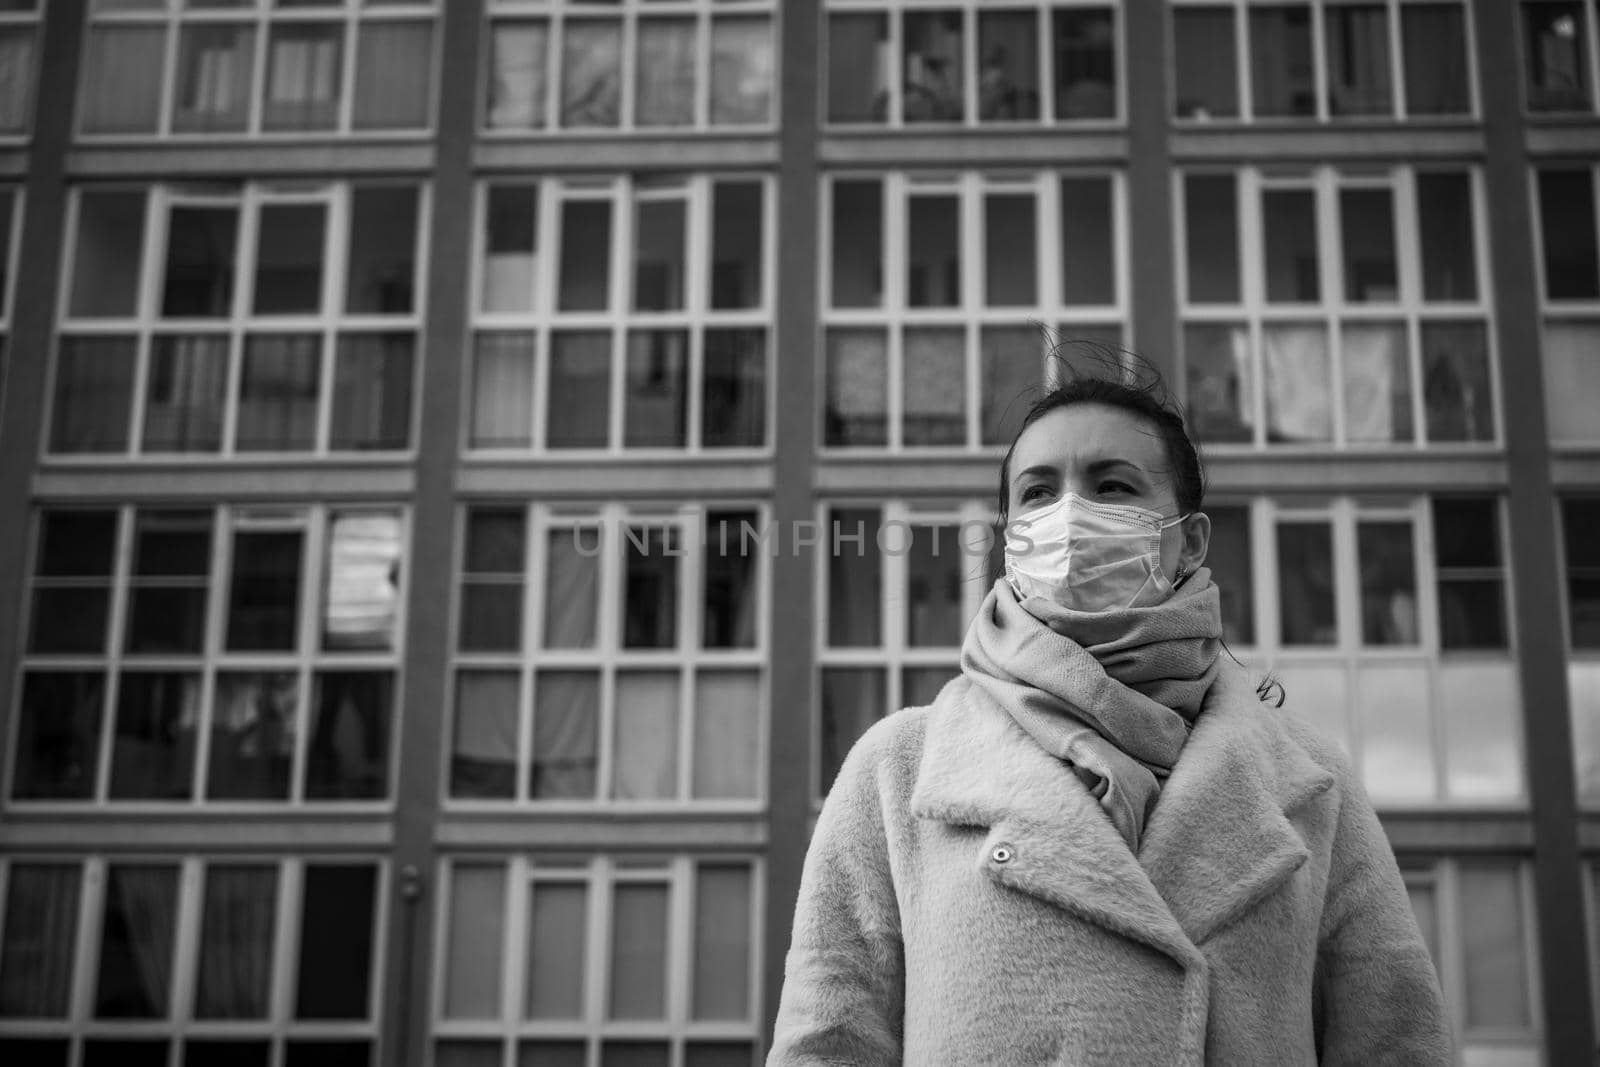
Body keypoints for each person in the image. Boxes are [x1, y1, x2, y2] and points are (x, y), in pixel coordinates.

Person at [768, 360, 1452, 1065]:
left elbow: (1397, 1042)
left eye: (1112, 485)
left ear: (1188, 540)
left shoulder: (1311, 782)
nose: (1068, 512)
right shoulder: (897, 770)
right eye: (1037, 491)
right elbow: (826, 1045)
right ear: (1009, 536)